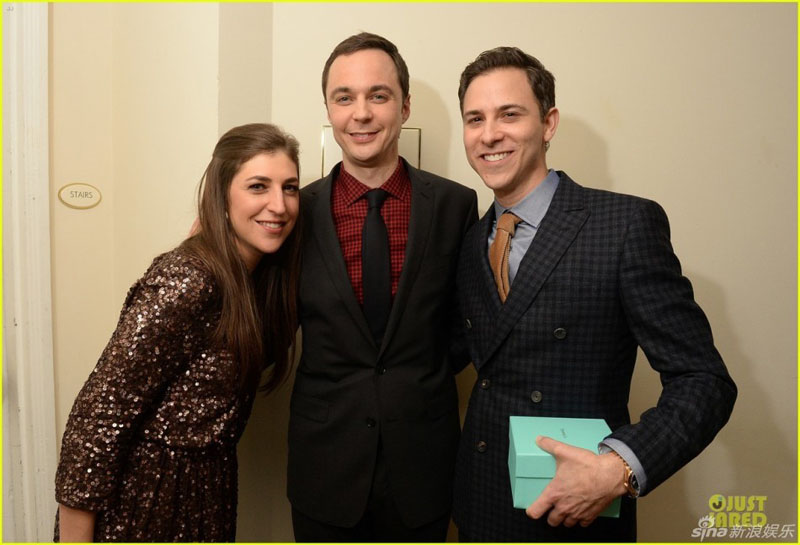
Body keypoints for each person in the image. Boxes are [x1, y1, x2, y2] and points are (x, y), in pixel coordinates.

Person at [453, 46, 737, 542]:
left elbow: (704, 380)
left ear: (548, 123)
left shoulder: (624, 224)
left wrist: (618, 468)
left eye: (509, 114)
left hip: (577, 516)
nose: (489, 134)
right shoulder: (472, 241)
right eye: (474, 119)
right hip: (481, 506)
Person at [54, 123, 303, 542]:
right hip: (145, 504)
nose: (278, 205)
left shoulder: (257, 279)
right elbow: (99, 417)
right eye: (258, 186)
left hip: (207, 497)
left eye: (290, 188)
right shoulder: (189, 280)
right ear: (222, 196)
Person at [287, 32, 478, 542]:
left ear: (405, 104)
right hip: (324, 468)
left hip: (425, 466)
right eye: (344, 97)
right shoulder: (293, 214)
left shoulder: (455, 206)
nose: (361, 113)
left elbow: (466, 327)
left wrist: (415, 381)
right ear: (328, 108)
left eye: (378, 95)